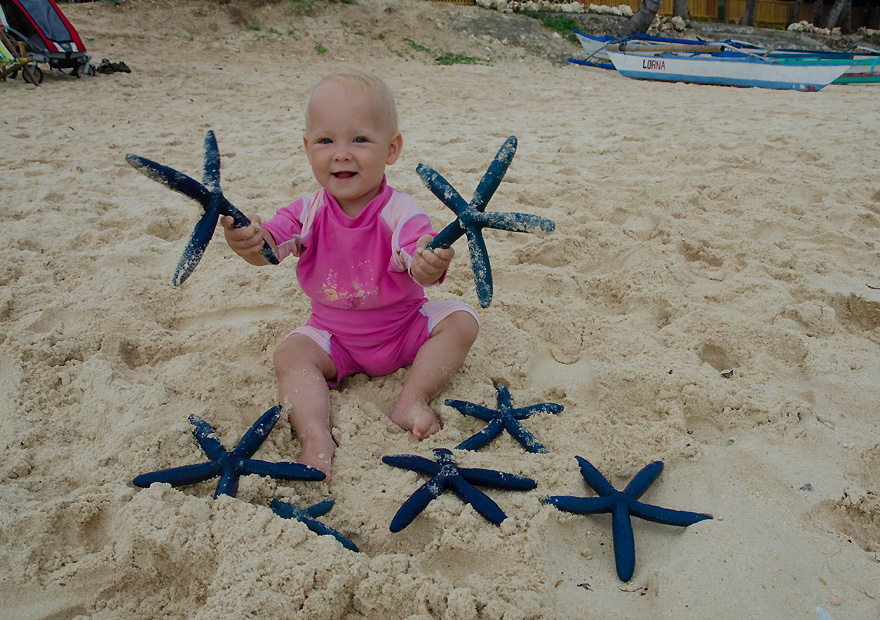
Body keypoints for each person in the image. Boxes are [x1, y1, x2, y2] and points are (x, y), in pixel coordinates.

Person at [220, 70, 480, 480]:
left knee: (462, 320)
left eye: (359, 139)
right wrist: (250, 241)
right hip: (333, 339)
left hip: (402, 330)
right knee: (290, 355)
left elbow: (417, 253)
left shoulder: (401, 211)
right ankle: (315, 435)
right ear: (307, 149)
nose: (341, 153)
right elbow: (270, 245)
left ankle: (412, 398)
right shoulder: (306, 210)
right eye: (325, 140)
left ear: (391, 149)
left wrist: (428, 263)